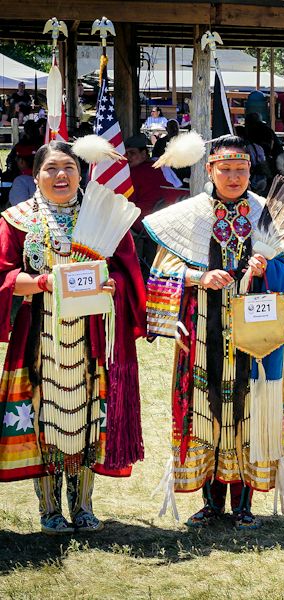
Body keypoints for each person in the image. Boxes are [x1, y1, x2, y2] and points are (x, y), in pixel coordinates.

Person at [144, 134, 284, 529]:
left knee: (251, 410)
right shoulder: (188, 215)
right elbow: (161, 273)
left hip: (255, 338)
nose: (234, 176)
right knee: (205, 409)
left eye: (241, 169)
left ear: (250, 171)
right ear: (210, 170)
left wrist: (268, 269)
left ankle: (244, 504)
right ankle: (211, 502)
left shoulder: (269, 214)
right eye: (225, 168)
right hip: (203, 332)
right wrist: (198, 276)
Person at [0, 140, 146, 533]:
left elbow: (126, 269)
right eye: (51, 169)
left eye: (68, 168)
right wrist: (42, 282)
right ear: (36, 175)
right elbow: (4, 277)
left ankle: (83, 506)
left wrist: (112, 285)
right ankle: (49, 509)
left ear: (81, 174)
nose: (60, 175)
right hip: (39, 334)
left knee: (88, 415)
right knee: (43, 416)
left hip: (91, 335)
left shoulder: (101, 216)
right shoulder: (16, 219)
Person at [123, 134, 185, 277]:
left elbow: (125, 203)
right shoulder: (159, 168)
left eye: (132, 153)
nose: (128, 157)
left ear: (144, 153)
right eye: (126, 154)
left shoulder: (133, 173)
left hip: (142, 222)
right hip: (162, 220)